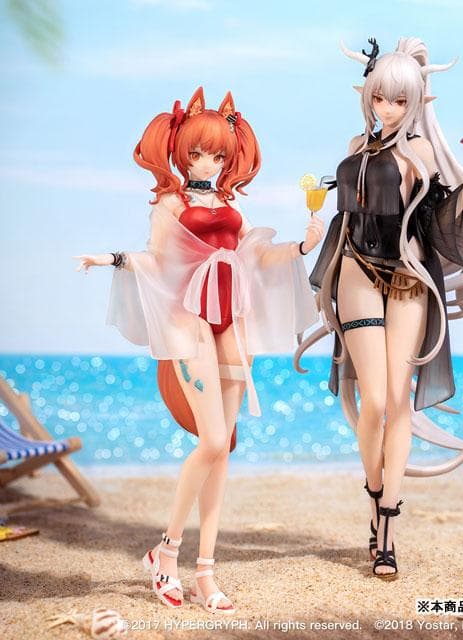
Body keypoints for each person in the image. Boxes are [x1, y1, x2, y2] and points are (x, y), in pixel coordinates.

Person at [295, 37, 463, 580]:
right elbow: (347, 215)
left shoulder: (422, 152)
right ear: (369, 96)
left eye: (400, 100)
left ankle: (386, 526)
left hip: (407, 275)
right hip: (357, 269)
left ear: (413, 103)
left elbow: (436, 222)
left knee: (398, 402)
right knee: (373, 400)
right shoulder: (355, 144)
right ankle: (375, 493)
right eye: (381, 97)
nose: (387, 108)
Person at [75, 86, 323, 612]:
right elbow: (156, 261)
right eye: (196, 153)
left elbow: (256, 254)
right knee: (210, 441)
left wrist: (302, 246)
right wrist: (110, 259)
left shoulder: (231, 205)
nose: (206, 162)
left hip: (232, 318)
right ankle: (166, 552)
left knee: (224, 446)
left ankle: (206, 571)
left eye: (215, 154)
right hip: (188, 320)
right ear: (180, 153)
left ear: (229, 156)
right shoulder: (171, 204)